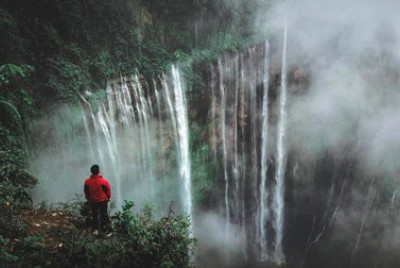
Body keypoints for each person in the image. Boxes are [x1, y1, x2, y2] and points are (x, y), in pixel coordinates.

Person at [84, 164, 111, 233]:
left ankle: (96, 229)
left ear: (91, 172)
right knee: (103, 215)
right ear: (99, 171)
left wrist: (88, 198)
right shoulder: (103, 181)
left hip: (93, 201)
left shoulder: (87, 182)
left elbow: (86, 191)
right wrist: (108, 197)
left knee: (95, 215)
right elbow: (108, 191)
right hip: (103, 201)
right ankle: (104, 229)